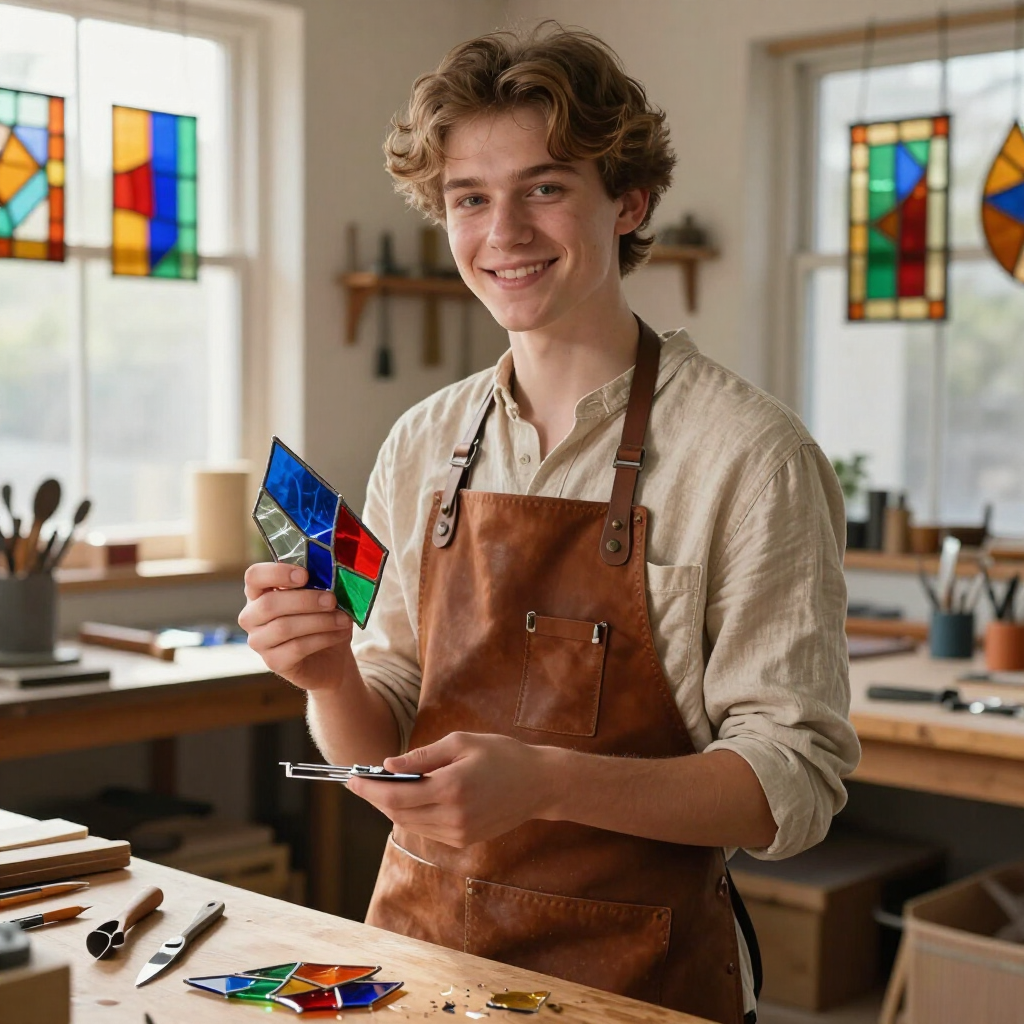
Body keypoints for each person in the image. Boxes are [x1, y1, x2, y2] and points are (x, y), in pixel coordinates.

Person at [239, 24, 860, 1024]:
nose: (504, 233)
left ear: (629, 201)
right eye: (468, 199)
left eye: (544, 187)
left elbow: (790, 782)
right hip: (418, 964)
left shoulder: (751, 455)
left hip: (635, 983)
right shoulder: (424, 440)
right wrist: (327, 677)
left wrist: (546, 783)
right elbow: (386, 721)